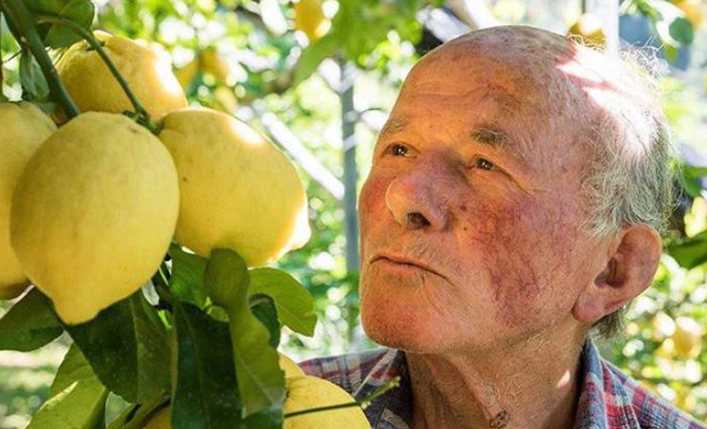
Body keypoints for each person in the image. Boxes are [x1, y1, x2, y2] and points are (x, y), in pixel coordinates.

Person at [299, 26, 705, 429]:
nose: (403, 195)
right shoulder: (266, 412)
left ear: (613, 269)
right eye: (399, 150)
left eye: (486, 164)